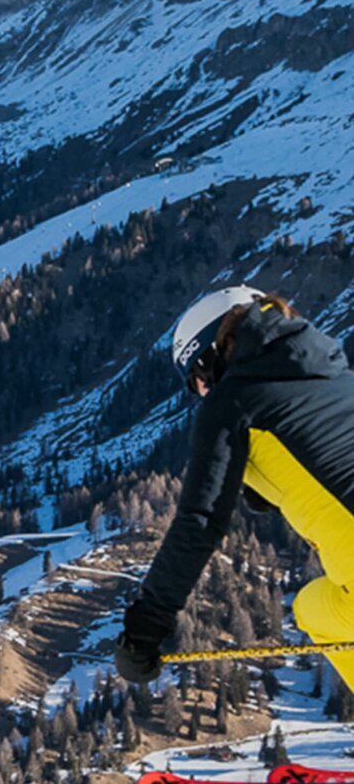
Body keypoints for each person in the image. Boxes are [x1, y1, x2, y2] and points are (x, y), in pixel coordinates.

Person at [115, 285, 354, 692]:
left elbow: (200, 521)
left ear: (209, 360)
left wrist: (145, 625)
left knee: (314, 608)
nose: (201, 395)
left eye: (196, 383)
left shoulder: (232, 402)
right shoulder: (335, 374)